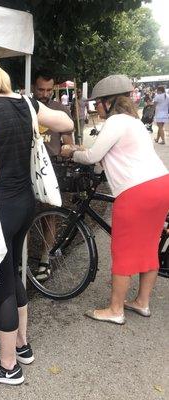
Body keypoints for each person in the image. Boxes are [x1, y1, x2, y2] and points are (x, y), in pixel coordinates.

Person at [0, 51, 73, 385]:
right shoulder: (26, 103)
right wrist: (37, 120)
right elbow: (67, 124)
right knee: (16, 274)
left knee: (2, 286)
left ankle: (8, 367)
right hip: (25, 205)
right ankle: (21, 344)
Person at [61, 75, 169, 324]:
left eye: (97, 103)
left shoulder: (116, 121)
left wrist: (71, 152)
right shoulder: (133, 123)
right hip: (161, 185)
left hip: (137, 192)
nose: (95, 108)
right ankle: (142, 302)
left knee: (123, 250)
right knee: (150, 245)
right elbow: (109, 158)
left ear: (109, 102)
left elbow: (92, 156)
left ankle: (115, 310)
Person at [33, 71, 75, 279]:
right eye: (41, 89)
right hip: (29, 167)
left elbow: (68, 139)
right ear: (33, 87)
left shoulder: (60, 108)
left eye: (49, 90)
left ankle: (45, 258)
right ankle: (22, 258)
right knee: (27, 214)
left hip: (53, 167)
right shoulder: (27, 106)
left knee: (49, 215)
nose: (45, 94)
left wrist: (70, 148)